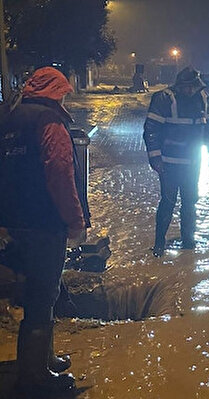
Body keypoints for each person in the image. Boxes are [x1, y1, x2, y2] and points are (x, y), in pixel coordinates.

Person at [0, 67, 89, 393]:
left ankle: (44, 359)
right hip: (43, 221)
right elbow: (59, 173)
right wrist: (74, 219)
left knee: (35, 290)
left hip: (12, 219)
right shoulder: (49, 122)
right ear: (57, 91)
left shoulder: (8, 117)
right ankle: (35, 377)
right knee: (43, 294)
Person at [143, 67, 209, 257]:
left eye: (193, 87)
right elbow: (151, 129)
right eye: (187, 87)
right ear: (180, 86)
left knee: (190, 202)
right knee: (168, 201)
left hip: (193, 162)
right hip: (168, 162)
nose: (190, 91)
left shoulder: (203, 98)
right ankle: (159, 244)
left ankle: (188, 243)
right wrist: (155, 157)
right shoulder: (164, 99)